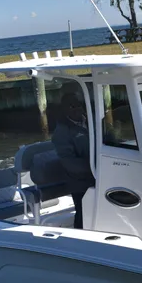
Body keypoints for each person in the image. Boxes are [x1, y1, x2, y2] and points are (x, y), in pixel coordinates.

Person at [52, 91, 94, 229]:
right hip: (79, 181)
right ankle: (79, 239)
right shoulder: (62, 132)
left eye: (78, 105)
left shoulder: (92, 121)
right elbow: (68, 162)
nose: (76, 108)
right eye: (71, 106)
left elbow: (109, 138)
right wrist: (93, 168)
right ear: (64, 110)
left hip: (100, 174)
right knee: (83, 213)